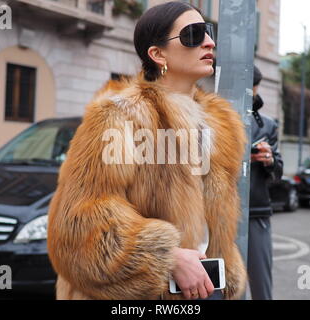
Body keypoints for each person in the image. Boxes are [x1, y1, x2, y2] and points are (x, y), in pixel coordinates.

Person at [47, 1, 247, 300]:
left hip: (207, 289)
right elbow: (78, 226)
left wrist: (223, 261)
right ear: (157, 54)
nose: (209, 41)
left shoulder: (221, 125)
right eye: (193, 35)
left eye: (208, 31)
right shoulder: (119, 116)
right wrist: (167, 257)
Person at [247, 66, 283, 300]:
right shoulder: (212, 113)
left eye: (256, 91)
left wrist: (268, 160)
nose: (254, 96)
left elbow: (277, 173)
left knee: (262, 287)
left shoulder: (267, 125)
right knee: (223, 287)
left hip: (256, 211)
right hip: (215, 213)